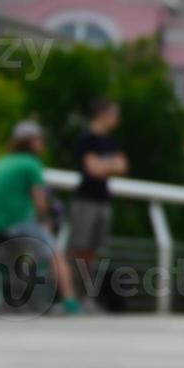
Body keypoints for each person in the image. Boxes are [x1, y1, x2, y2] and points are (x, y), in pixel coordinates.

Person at [0, 120, 79, 314]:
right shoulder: (31, 164)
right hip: (20, 224)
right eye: (39, 139)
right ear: (29, 142)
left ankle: (8, 299)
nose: (42, 143)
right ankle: (70, 303)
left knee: (17, 259)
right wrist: (46, 222)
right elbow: (40, 201)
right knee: (56, 254)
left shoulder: (1, 162)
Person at [69, 98, 127, 265]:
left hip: (102, 200)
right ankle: (70, 288)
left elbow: (122, 166)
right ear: (102, 114)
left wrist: (103, 166)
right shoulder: (87, 138)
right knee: (78, 248)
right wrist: (110, 165)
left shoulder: (109, 140)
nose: (117, 118)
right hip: (85, 200)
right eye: (114, 114)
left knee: (93, 251)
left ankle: (84, 288)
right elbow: (93, 170)